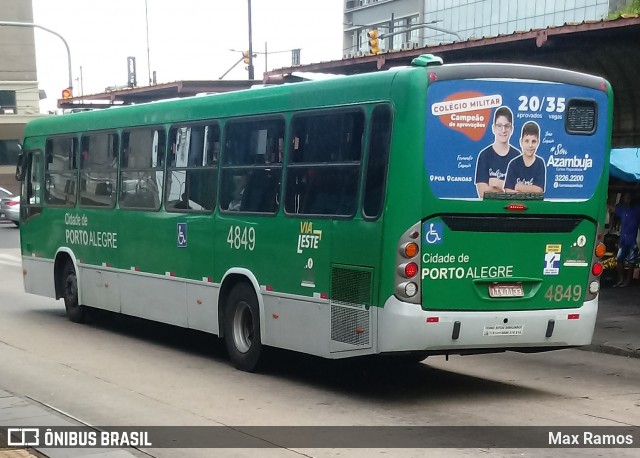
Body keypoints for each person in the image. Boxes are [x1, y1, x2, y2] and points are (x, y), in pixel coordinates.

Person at [474, 106, 520, 198]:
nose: (503, 130)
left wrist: (496, 183)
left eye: (507, 126)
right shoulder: (484, 155)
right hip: (489, 210)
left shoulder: (518, 156)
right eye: (499, 126)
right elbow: (482, 193)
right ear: (493, 128)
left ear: (511, 129)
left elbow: (519, 193)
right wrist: (508, 188)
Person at [504, 121, 546, 194]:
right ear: (521, 142)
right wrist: (530, 191)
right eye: (527, 141)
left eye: (533, 141)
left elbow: (539, 190)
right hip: (515, 203)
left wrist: (518, 187)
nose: (530, 145)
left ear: (538, 143)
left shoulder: (540, 163)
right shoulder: (513, 164)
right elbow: (508, 190)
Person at [608, 193, 640, 287]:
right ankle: (621, 279)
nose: (627, 200)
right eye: (626, 198)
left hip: (632, 240)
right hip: (623, 240)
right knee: (619, 260)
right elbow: (612, 209)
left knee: (631, 261)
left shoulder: (636, 209)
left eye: (628, 198)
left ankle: (627, 281)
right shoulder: (623, 210)